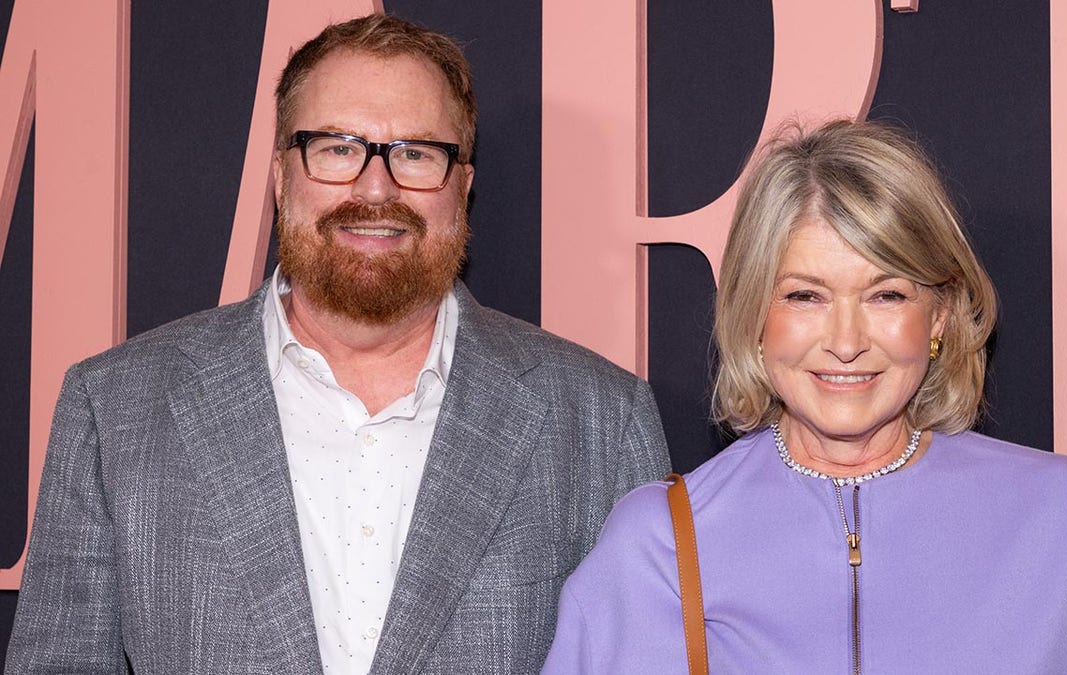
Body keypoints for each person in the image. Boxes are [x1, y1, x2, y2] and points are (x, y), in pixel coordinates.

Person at [6, 14, 669, 674]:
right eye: (337, 147)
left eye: (415, 152)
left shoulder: (600, 422)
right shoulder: (116, 408)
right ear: (280, 175)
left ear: (462, 186)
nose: (375, 189)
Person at [542, 119, 1067, 673]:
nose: (845, 341)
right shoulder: (661, 543)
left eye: (887, 294)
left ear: (940, 316)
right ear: (753, 317)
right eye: (804, 296)